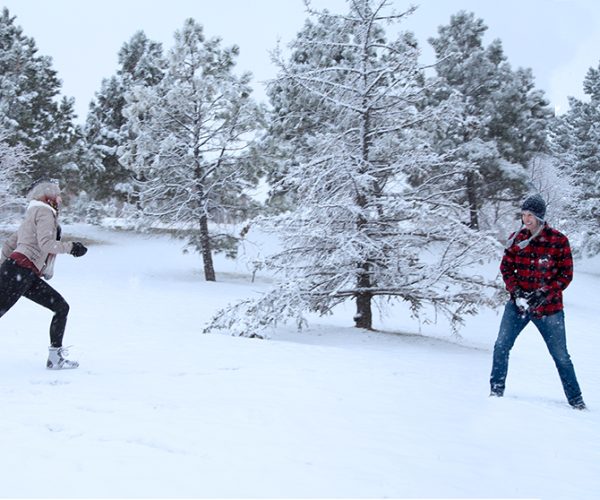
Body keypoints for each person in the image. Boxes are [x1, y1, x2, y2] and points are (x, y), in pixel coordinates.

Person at [489, 193, 586, 410]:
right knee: (501, 346)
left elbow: (565, 274)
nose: (526, 219)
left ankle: (576, 400)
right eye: (523, 215)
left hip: (549, 310)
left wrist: (544, 293)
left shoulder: (558, 241)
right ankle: (495, 392)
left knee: (561, 356)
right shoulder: (517, 238)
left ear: (540, 216)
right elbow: (506, 267)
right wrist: (515, 292)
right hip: (518, 307)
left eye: (530, 215)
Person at [0, 180, 88, 369]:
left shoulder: (32, 214)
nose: (59, 199)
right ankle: (55, 358)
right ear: (47, 196)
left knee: (61, 306)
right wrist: (72, 247)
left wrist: (4, 269)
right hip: (20, 271)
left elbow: (9, 244)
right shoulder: (45, 212)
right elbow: (46, 244)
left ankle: (55, 358)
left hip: (21, 272)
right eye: (56, 195)